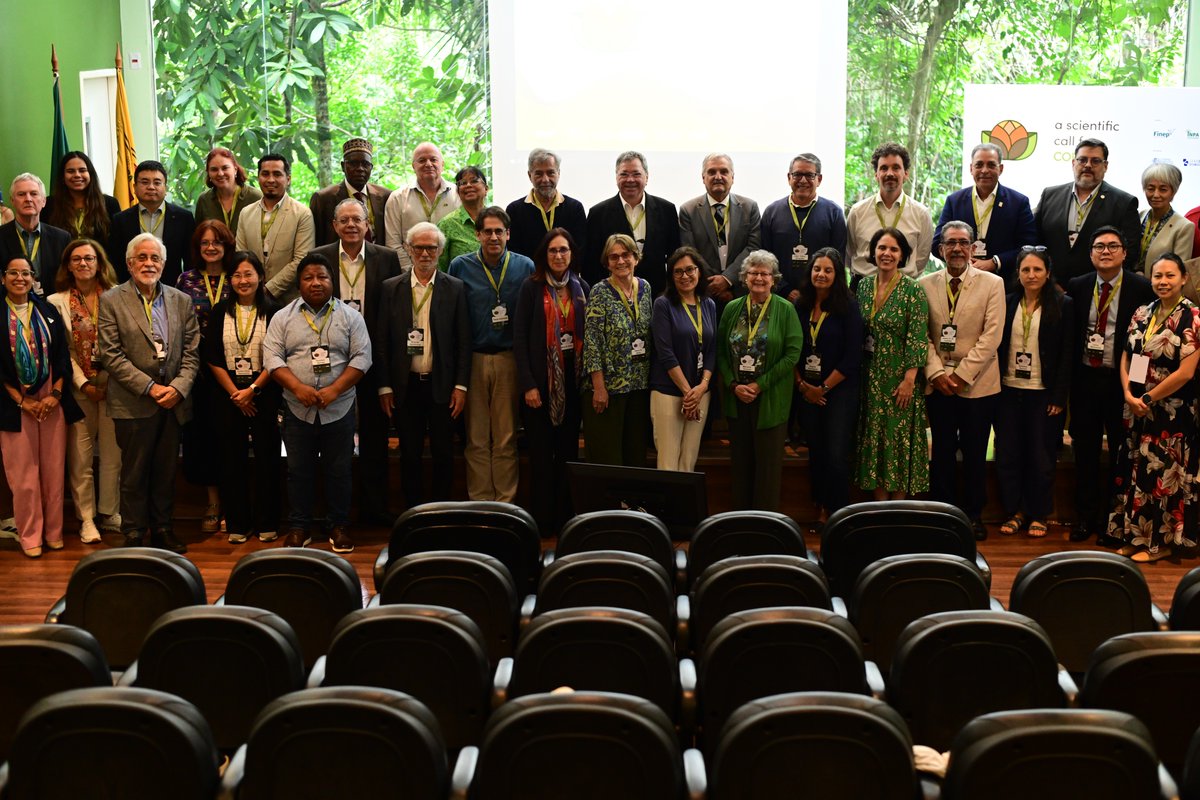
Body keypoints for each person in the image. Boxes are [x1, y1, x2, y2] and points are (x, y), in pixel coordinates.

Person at [97, 233, 201, 553]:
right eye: (142, 258)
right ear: (129, 264)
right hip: (133, 401)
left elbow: (192, 352)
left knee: (165, 471)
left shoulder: (180, 300)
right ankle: (133, 530)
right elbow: (111, 355)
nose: (149, 263)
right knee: (134, 472)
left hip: (172, 402)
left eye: (155, 258)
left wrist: (177, 388)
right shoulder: (111, 300)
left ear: (164, 264)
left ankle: (163, 528)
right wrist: (150, 387)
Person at [263, 253, 370, 553]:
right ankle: (300, 526)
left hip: (340, 407)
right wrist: (297, 387)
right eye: (309, 277)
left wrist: (335, 390)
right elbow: (271, 358)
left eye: (322, 277)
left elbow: (362, 358)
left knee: (340, 470)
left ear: (332, 281)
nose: (316, 283)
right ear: (299, 283)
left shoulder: (351, 317)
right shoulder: (282, 317)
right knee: (299, 470)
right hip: (297, 408)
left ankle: (338, 526)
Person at [310, 197, 401, 524]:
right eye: (344, 220)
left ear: (367, 225)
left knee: (375, 437)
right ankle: (337, 512)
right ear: (334, 225)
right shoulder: (318, 256)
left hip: (372, 357)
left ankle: (374, 509)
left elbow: (392, 311)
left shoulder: (387, 258)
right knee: (334, 437)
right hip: (331, 358)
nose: (351, 225)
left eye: (357, 220)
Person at [1108, 253, 1200, 562]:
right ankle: (1135, 536)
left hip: (1171, 411)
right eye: (1157, 275)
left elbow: (1186, 372)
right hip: (1136, 407)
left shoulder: (1193, 317)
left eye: (1170, 276)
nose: (1162, 281)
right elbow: (1126, 356)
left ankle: (1157, 544)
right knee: (1135, 470)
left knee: (1163, 476)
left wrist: (1148, 399)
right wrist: (1129, 394)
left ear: (1183, 278)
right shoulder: (1142, 312)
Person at [1065, 225, 1154, 544]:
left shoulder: (1142, 288)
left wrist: (1138, 387)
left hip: (1122, 384)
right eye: (1099, 246)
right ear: (1090, 254)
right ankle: (1085, 518)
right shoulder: (1078, 286)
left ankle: (1114, 522)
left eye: (1113, 246)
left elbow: (1146, 341)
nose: (1106, 251)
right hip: (1086, 381)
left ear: (1124, 253)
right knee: (1085, 452)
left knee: (1122, 453)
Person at [920, 220, 1005, 540]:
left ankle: (973, 514)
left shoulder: (992, 283)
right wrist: (938, 373)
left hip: (978, 385)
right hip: (938, 383)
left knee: (974, 452)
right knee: (941, 450)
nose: (957, 248)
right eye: (950, 243)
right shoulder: (924, 283)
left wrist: (961, 374)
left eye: (963, 242)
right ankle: (942, 511)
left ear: (973, 248)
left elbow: (992, 335)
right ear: (940, 249)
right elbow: (922, 335)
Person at [376, 223, 471, 508]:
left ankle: (440, 512)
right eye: (419, 247)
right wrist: (384, 386)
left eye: (431, 247)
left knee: (443, 453)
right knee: (409, 454)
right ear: (408, 249)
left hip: (443, 386)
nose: (425, 253)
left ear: (441, 251)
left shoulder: (455, 288)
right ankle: (413, 513)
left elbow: (463, 341)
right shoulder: (391, 288)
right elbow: (382, 341)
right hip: (405, 387)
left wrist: (461, 385)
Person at [448, 206, 534, 501]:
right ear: (477, 235)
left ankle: (505, 504)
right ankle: (482, 502)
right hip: (473, 359)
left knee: (507, 437)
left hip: (509, 359)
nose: (494, 237)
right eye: (488, 232)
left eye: (499, 231)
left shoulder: (526, 267)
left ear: (508, 234)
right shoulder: (460, 266)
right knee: (476, 438)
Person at [0, 255, 82, 557]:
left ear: (34, 278)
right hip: (13, 402)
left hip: (51, 398)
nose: (20, 278)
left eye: (25, 273)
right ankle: (31, 536)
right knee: (23, 476)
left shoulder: (47, 310)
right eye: (13, 273)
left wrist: (55, 395)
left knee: (52, 471)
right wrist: (22, 401)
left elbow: (62, 356)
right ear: (3, 278)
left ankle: (54, 532)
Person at [994, 246, 1074, 539]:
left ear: (1048, 273)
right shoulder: (1007, 301)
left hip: (1043, 392)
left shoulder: (1063, 304)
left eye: (1037, 269)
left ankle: (1039, 513)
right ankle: (1014, 511)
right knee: (1008, 454)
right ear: (1018, 273)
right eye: (1026, 270)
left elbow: (1067, 355)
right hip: (1008, 390)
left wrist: (1058, 397)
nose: (1031, 275)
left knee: (1040, 457)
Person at [514, 228, 590, 532]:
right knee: (542, 456)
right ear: (544, 256)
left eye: (564, 250)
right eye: (553, 251)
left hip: (572, 383)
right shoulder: (530, 288)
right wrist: (528, 384)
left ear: (572, 254)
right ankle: (543, 520)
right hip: (540, 385)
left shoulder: (582, 287)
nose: (559, 256)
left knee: (568, 453)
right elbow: (519, 339)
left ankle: (565, 518)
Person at [202, 251, 281, 544]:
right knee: (230, 460)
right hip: (228, 396)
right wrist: (236, 393)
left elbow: (278, 356)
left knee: (267, 459)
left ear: (260, 277)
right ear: (230, 280)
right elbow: (212, 357)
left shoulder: (275, 310)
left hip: (265, 392)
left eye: (248, 274)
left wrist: (253, 391)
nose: (243, 280)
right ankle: (237, 522)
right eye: (237, 275)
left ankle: (267, 521)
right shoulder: (220, 311)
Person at [47, 238, 123, 544]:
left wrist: (105, 380)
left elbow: (124, 343)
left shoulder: (118, 297)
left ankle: (110, 513)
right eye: (76, 259)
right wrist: (85, 384)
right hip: (79, 391)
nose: (83, 264)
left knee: (112, 456)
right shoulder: (56, 302)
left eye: (89, 258)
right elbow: (62, 352)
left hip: (114, 387)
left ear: (99, 263)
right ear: (68, 265)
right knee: (80, 457)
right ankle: (87, 518)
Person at [716, 250, 803, 510]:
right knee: (741, 464)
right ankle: (740, 521)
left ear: (774, 279)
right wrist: (734, 385)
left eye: (764, 273)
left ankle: (765, 527)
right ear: (744, 277)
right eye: (753, 272)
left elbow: (792, 354)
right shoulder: (732, 308)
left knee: (768, 468)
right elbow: (720, 351)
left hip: (771, 399)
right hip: (737, 398)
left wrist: (759, 385)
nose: (759, 278)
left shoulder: (786, 309)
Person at [854, 228, 930, 499]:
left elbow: (918, 337)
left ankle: (898, 511)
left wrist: (910, 380)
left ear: (903, 256)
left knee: (897, 443)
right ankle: (878, 508)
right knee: (875, 440)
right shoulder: (862, 286)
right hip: (869, 377)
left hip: (899, 380)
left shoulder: (913, 290)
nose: (887, 254)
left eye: (894, 249)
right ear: (873, 252)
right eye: (882, 248)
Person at [175, 220, 236, 534]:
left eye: (217, 242)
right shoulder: (186, 280)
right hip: (197, 374)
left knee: (230, 439)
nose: (211, 248)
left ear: (227, 245)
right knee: (202, 440)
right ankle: (212, 501)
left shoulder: (238, 276)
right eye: (204, 243)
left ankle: (234, 501)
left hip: (234, 373)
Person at [794, 247, 863, 521]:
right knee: (817, 450)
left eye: (828, 270)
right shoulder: (800, 304)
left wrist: (822, 389)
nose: (821, 274)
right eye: (817, 269)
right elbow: (791, 349)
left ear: (837, 275)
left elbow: (852, 356)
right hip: (805, 388)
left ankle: (838, 511)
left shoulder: (849, 306)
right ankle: (820, 502)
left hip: (839, 390)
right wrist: (803, 385)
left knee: (836, 453)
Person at [582, 233, 653, 466]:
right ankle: (608, 503)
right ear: (607, 262)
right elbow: (592, 341)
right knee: (608, 455)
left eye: (626, 255)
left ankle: (633, 502)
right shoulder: (599, 291)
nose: (621, 261)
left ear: (636, 257)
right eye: (614, 257)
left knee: (634, 453)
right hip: (609, 387)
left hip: (638, 384)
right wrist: (599, 387)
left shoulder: (645, 288)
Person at [1034, 138, 1141, 285]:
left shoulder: (1124, 203)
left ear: (1105, 166)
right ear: (1073, 163)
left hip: (1094, 292)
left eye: (1095, 161)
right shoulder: (1050, 195)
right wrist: (1049, 280)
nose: (1088, 165)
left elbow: (1129, 253)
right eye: (1082, 160)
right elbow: (1035, 241)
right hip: (1050, 288)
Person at [649, 246, 715, 472]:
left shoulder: (708, 304)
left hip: (700, 393)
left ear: (699, 272)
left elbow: (711, 350)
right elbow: (665, 353)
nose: (685, 276)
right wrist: (689, 394)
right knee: (668, 463)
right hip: (668, 392)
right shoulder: (663, 304)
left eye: (690, 270)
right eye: (678, 272)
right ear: (671, 276)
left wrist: (702, 388)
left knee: (689, 460)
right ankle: (667, 509)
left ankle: (684, 509)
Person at [931, 143, 1037, 283]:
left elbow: (1028, 247)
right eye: (979, 165)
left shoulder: (1018, 202)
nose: (984, 170)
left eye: (991, 165)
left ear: (1001, 169)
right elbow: (937, 243)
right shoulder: (954, 201)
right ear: (971, 168)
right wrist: (962, 258)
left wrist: (995, 262)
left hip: (1003, 283)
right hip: (961, 281)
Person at [584, 151, 680, 296]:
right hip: (613, 299)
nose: (630, 179)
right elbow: (590, 264)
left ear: (646, 177)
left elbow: (675, 257)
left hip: (658, 297)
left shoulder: (667, 210)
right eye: (624, 174)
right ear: (616, 177)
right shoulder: (598, 214)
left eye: (636, 174)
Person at [759, 153, 847, 302]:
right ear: (789, 178)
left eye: (810, 175)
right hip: (779, 298)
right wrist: (785, 289)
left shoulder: (834, 213)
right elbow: (765, 258)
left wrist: (815, 291)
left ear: (819, 179)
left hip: (821, 297)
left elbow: (838, 261)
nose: (803, 180)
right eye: (797, 174)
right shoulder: (771, 212)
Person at [678, 153, 762, 302]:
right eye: (711, 172)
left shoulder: (750, 208)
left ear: (732, 177)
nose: (718, 176)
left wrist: (727, 279)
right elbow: (690, 251)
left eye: (724, 171)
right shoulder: (688, 210)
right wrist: (713, 284)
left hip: (741, 291)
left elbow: (753, 247)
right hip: (704, 292)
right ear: (703, 178)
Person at [846, 143, 934, 281]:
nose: (890, 173)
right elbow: (849, 253)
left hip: (903, 290)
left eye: (896, 168)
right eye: (884, 168)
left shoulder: (921, 214)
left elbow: (921, 259)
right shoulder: (858, 212)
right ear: (876, 174)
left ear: (905, 174)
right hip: (861, 288)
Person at [237, 153, 316, 303]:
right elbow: (241, 255)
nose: (271, 180)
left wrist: (268, 289)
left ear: (288, 179)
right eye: (265, 174)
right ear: (258, 177)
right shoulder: (246, 213)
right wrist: (253, 286)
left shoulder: (302, 213)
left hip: (290, 300)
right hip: (251, 298)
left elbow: (301, 259)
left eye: (277, 174)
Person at [108, 160, 196, 287]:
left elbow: (190, 261)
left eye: (157, 182)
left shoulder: (184, 218)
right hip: (131, 291)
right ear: (134, 188)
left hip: (172, 290)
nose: (151, 187)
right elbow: (115, 261)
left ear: (165, 187)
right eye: (144, 182)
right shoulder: (120, 220)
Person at [384, 142, 461, 267]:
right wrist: (412, 273)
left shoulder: (458, 195)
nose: (428, 164)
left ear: (442, 164)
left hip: (451, 274)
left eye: (433, 159)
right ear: (413, 166)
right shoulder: (397, 198)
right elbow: (393, 244)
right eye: (422, 160)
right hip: (411, 275)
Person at [505, 148, 587, 260]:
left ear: (558, 173)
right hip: (528, 276)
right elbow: (514, 254)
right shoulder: (514, 210)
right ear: (530, 175)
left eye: (550, 173)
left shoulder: (574, 208)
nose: (545, 179)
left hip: (564, 276)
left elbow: (579, 251)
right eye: (538, 174)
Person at [310, 138, 390, 247]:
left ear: (371, 168)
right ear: (343, 166)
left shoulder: (385, 196)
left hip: (378, 261)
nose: (360, 169)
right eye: (353, 164)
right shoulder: (323, 198)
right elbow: (317, 241)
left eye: (365, 164)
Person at [0, 174, 71, 292]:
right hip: (9, 306)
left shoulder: (62, 238)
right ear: (12, 201)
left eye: (34, 194)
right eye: (21, 194)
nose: (28, 199)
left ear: (43, 201)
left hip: (51, 306)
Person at [42, 151, 121, 241]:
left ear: (90, 174)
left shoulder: (110, 204)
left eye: (82, 170)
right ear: (62, 177)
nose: (77, 175)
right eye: (70, 171)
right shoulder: (49, 205)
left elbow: (117, 242)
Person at [1137, 163, 1194, 275]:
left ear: (1173, 192)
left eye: (1163, 189)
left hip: (1159, 288)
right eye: (1150, 189)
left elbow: (1178, 270)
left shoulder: (1184, 226)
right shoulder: (1141, 215)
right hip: (1131, 282)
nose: (1156, 195)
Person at [193, 147, 262, 235]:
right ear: (208, 173)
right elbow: (199, 237)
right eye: (214, 169)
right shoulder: (204, 200)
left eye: (225, 168)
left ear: (235, 170)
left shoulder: (255, 197)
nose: (220, 174)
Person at [437, 166, 489, 271]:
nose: (468, 185)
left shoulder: (497, 220)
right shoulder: (446, 224)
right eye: (463, 183)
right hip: (459, 286)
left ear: (486, 189)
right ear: (458, 192)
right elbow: (439, 267)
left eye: (474, 181)